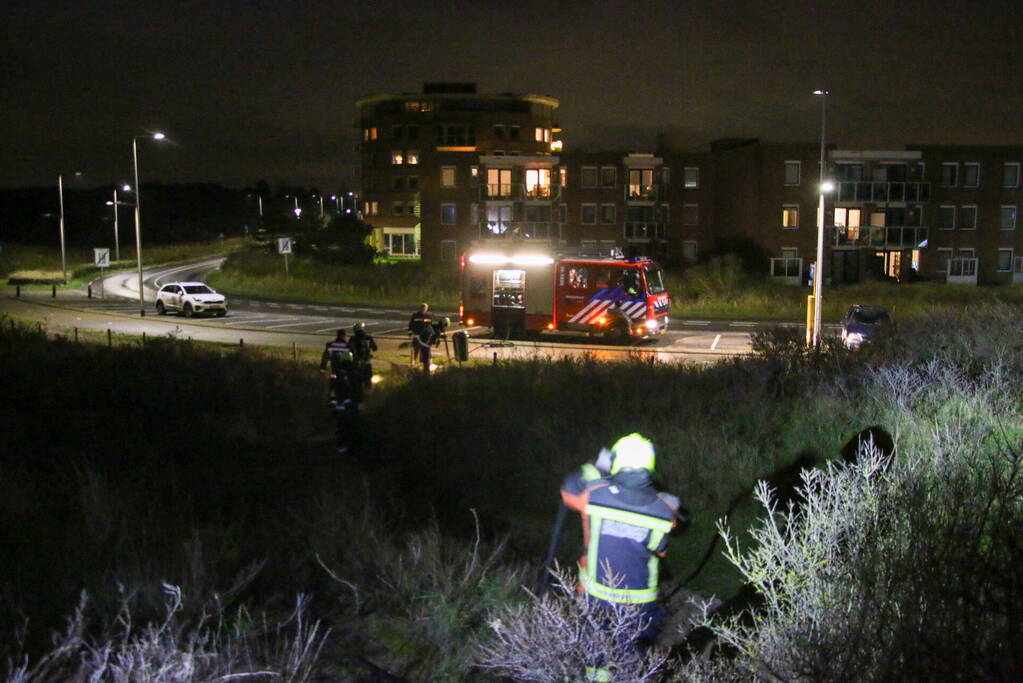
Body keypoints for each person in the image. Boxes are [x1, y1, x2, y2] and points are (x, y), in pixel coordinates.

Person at [560, 433, 683, 677]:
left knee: (595, 656)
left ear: (616, 461)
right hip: (640, 602)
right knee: (629, 657)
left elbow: (568, 490)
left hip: (596, 596)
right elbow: (661, 550)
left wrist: (596, 467)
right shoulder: (663, 510)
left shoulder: (594, 494)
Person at [349, 321, 378, 390]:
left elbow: (350, 349)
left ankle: (355, 388)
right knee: (368, 377)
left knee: (354, 375)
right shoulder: (368, 338)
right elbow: (375, 348)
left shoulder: (353, 339)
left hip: (357, 361)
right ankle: (368, 389)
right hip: (367, 361)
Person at [408, 302, 432, 367]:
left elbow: (429, 325)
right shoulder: (415, 315)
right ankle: (414, 361)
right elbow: (411, 324)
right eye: (422, 309)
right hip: (417, 334)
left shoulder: (428, 316)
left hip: (425, 336)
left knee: (425, 349)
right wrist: (410, 332)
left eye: (425, 309)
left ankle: (425, 362)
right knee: (416, 349)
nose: (423, 310)